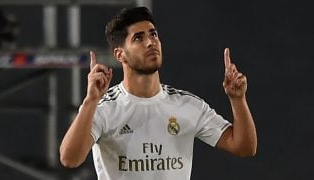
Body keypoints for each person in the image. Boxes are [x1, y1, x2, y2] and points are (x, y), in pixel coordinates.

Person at [59, 6, 257, 180]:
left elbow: (244, 147)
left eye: (153, 34)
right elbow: (69, 159)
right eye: (139, 38)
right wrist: (90, 101)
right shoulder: (104, 108)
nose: (150, 42)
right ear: (120, 54)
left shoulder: (187, 104)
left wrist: (238, 100)